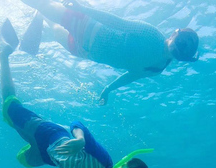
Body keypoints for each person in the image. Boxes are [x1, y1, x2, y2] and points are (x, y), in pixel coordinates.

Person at [0, 20, 152, 168]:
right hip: (49, 135)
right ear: (121, 166)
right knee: (9, 109)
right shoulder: (103, 158)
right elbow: (76, 124)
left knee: (21, 160)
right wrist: (80, 140)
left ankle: (25, 136)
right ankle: (5, 53)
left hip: (49, 157)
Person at [19, 0, 199, 105]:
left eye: (184, 49)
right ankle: (44, 9)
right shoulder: (151, 35)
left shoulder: (157, 68)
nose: (179, 47)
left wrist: (108, 89)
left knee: (53, 26)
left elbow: (131, 76)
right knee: (43, 5)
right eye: (182, 42)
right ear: (175, 33)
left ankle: (41, 15)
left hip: (85, 51)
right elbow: (116, 22)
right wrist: (82, 9)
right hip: (88, 26)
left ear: (185, 58)